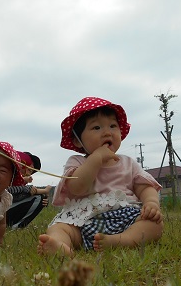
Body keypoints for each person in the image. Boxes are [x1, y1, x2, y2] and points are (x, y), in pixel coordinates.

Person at [38, 97, 164, 257]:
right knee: (59, 228)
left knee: (154, 224)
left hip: (126, 217)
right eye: (96, 127)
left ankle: (120, 240)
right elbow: (77, 187)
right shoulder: (77, 162)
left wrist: (151, 203)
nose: (107, 132)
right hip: (82, 220)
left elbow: (144, 187)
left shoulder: (128, 163)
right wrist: (96, 158)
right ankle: (60, 246)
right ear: (77, 140)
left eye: (113, 126)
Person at [6, 151, 53, 229]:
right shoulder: (9, 174)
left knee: (40, 198)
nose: (29, 174)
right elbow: (5, 191)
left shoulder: (19, 183)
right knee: (38, 197)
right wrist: (27, 190)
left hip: (4, 212)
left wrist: (44, 199)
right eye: (28, 169)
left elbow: (18, 196)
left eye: (31, 172)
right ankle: (17, 227)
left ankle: (14, 226)